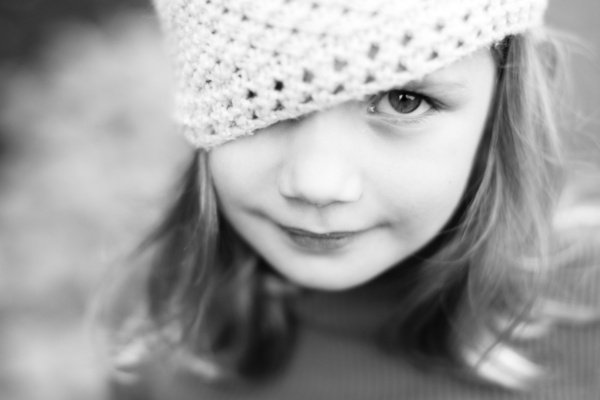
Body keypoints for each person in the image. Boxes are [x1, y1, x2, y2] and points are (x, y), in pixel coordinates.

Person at [103, 0, 600, 398]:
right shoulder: (165, 328)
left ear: (501, 102)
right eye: (264, 96)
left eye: (402, 99)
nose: (317, 182)